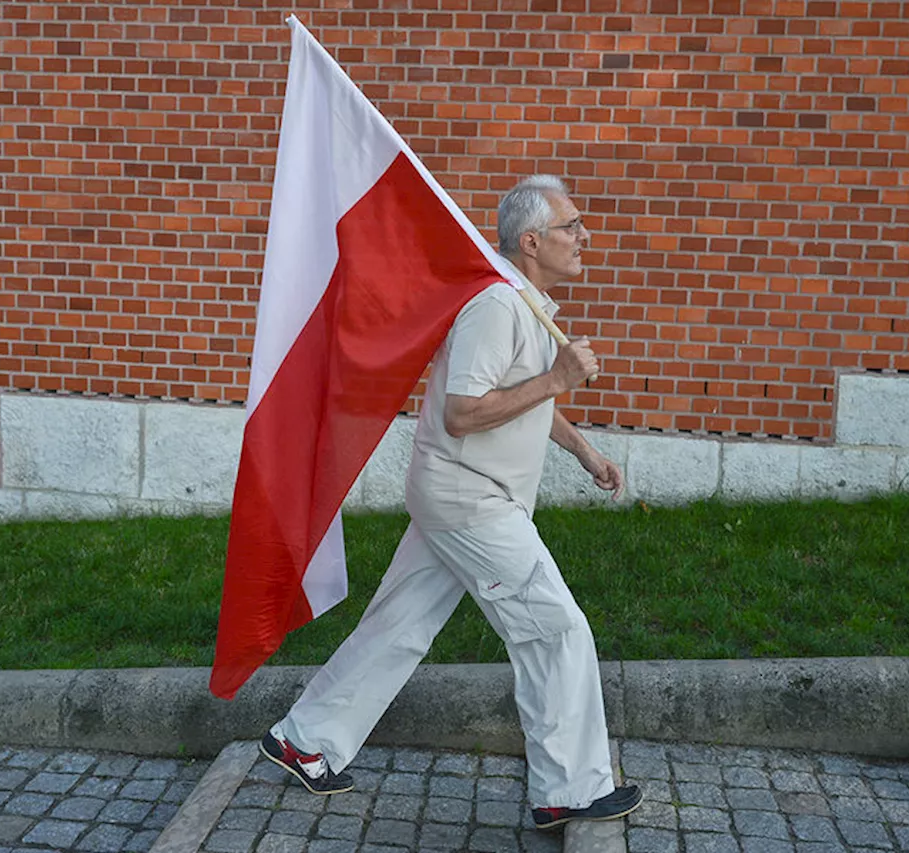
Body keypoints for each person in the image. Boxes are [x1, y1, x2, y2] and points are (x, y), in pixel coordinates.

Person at [258, 175, 642, 829]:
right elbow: (466, 411)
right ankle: (570, 790)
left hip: (463, 493)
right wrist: (559, 376)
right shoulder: (496, 307)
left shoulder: (522, 300)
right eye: (571, 226)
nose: (585, 237)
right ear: (531, 240)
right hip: (471, 500)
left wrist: (581, 449)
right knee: (555, 628)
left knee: (399, 625)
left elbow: (521, 395)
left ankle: (305, 738)